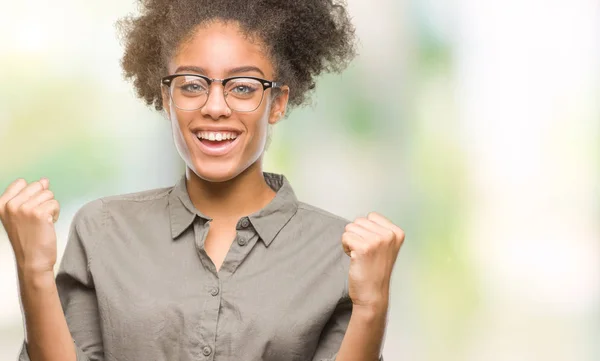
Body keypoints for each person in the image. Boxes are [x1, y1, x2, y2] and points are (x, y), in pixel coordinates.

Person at [0, 0, 404, 360]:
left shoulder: (339, 252)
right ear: (165, 98)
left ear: (277, 103)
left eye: (243, 87)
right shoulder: (102, 231)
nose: (214, 107)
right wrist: (33, 269)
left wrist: (371, 305)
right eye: (192, 85)